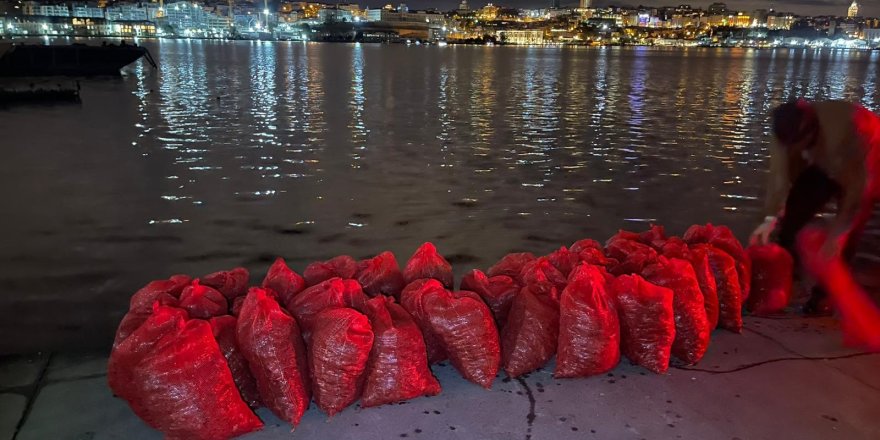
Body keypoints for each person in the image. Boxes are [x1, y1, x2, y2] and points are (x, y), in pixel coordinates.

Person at [750, 100, 880, 315]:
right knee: (793, 216)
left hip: (868, 167)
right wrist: (770, 218)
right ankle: (785, 285)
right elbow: (779, 176)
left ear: (810, 133)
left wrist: (838, 236)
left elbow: (855, 196)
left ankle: (822, 300)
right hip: (824, 163)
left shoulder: (852, 130)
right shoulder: (784, 130)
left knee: (848, 239)